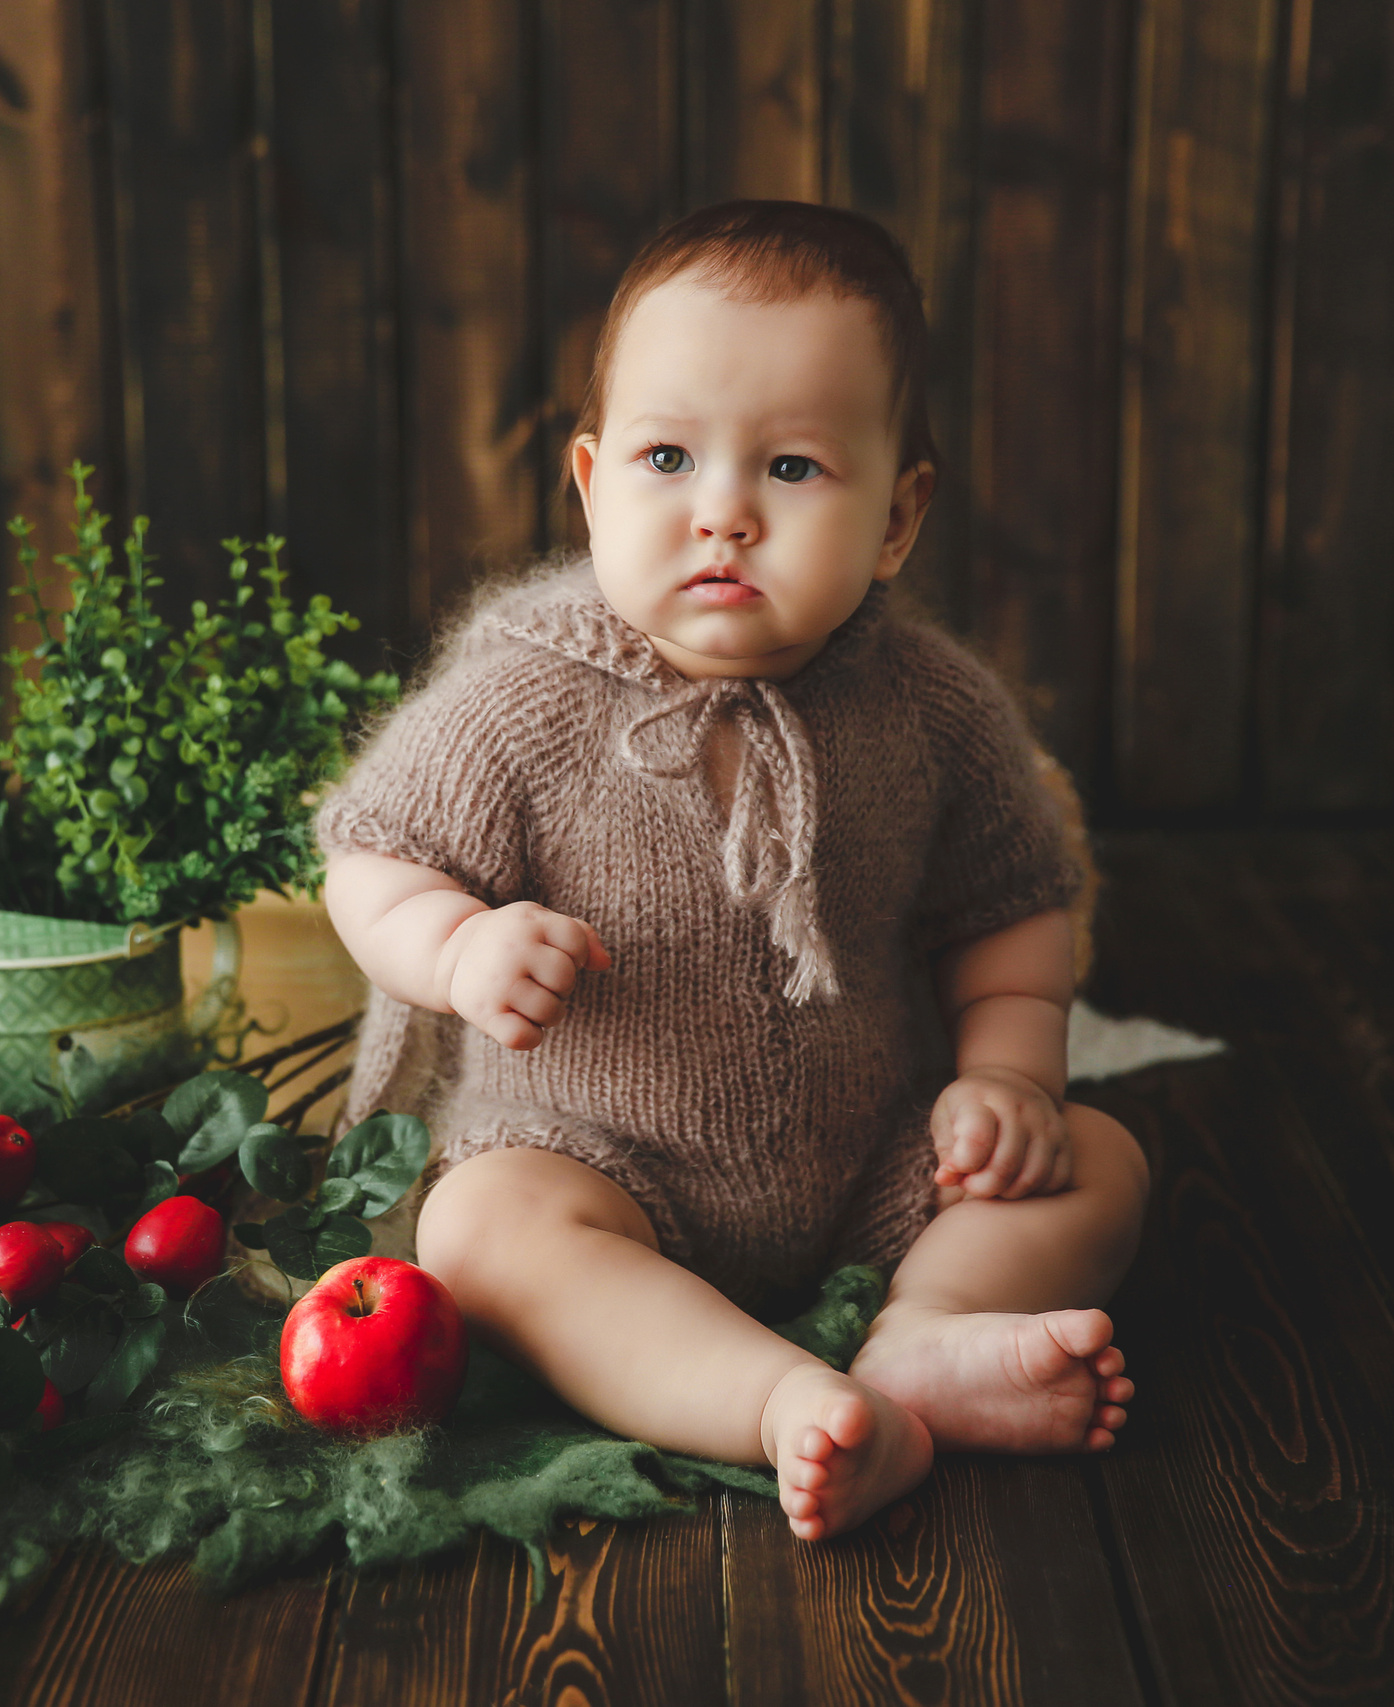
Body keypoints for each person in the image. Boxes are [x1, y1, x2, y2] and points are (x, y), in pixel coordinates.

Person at [317, 201, 1146, 1540]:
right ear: (589, 485)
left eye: (797, 470)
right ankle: (779, 1401)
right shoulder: (520, 699)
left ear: (897, 515)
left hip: (869, 1157)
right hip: (598, 1159)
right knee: (479, 1230)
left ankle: (925, 1334)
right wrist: (457, 946)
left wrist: (1006, 1081)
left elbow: (1010, 918)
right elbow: (374, 861)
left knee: (1095, 1159)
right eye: (666, 457)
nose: (724, 515)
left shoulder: (932, 709)